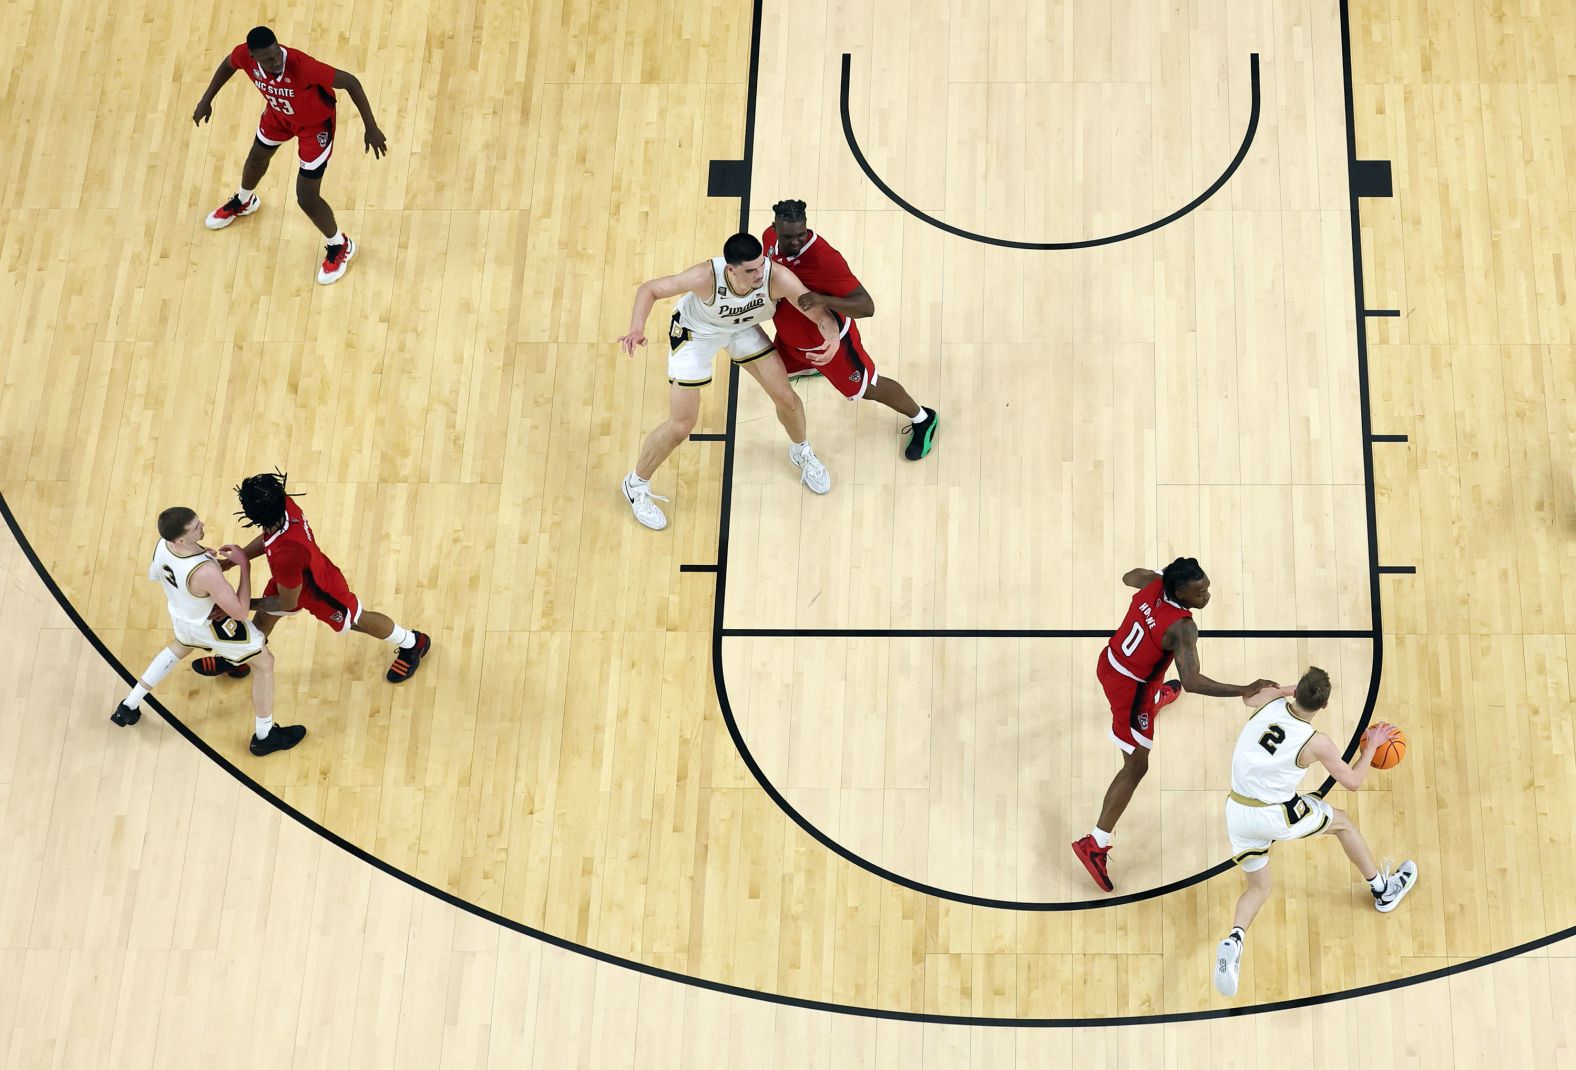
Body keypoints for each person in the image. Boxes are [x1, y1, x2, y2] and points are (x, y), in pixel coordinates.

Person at [1071, 557, 1278, 891]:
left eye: (1206, 587)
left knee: (1154, 682)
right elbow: (1192, 681)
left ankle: (1154, 700)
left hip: (1110, 661)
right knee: (1137, 767)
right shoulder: (1183, 627)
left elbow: (1128, 575)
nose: (1206, 596)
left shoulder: (1153, 582)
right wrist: (1244, 688)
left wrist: (1157, 578)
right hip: (1132, 691)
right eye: (1198, 592)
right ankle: (1094, 843)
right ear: (1179, 591)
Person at [617, 232, 843, 531]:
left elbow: (816, 311)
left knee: (786, 397)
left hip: (741, 328)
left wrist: (832, 337)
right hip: (696, 333)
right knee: (682, 424)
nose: (759, 274)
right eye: (750, 270)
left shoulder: (777, 277)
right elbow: (650, 289)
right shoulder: (704, 277)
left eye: (761, 265)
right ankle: (635, 485)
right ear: (730, 269)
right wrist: (636, 328)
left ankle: (801, 451)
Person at [1212, 668, 1418, 996]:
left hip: (1236, 811)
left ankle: (1235, 937)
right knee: (1342, 821)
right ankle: (1383, 892)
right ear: (1324, 707)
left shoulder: (1267, 699)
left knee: (1259, 887)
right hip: (1274, 814)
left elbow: (1248, 695)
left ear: (1297, 691)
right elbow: (1351, 782)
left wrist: (1287, 690)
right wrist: (1372, 747)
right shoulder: (1316, 742)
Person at [192, 25, 387, 284]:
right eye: (268, 59)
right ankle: (244, 201)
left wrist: (370, 127)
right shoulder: (244, 56)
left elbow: (350, 82)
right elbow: (228, 65)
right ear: (252, 56)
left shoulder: (302, 66)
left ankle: (340, 245)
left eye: (276, 55)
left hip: (315, 126)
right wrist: (207, 100)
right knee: (255, 160)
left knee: (306, 198)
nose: (275, 62)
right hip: (279, 116)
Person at [111, 506, 307, 757]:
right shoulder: (206, 572)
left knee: (178, 648)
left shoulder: (163, 544)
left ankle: (128, 706)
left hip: (182, 617)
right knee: (265, 662)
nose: (202, 524)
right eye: (195, 527)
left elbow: (158, 575)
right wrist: (244, 567)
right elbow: (239, 612)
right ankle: (265, 735)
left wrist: (204, 559)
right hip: (210, 627)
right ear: (181, 539)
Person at [200, 471, 431, 683]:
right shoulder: (283, 506)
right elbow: (267, 540)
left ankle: (413, 642)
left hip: (322, 591)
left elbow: (288, 601)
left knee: (357, 620)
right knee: (263, 619)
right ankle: (238, 660)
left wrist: (238, 605)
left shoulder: (286, 554)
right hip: (291, 579)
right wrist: (230, 563)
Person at [761, 199, 939, 459]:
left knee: (869, 388)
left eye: (801, 235)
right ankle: (811, 367)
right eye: (788, 237)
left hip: (833, 346)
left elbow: (866, 307)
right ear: (774, 228)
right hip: (790, 339)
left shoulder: (824, 260)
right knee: (775, 370)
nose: (796, 242)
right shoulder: (768, 239)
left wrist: (824, 299)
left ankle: (923, 417)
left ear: (806, 227)